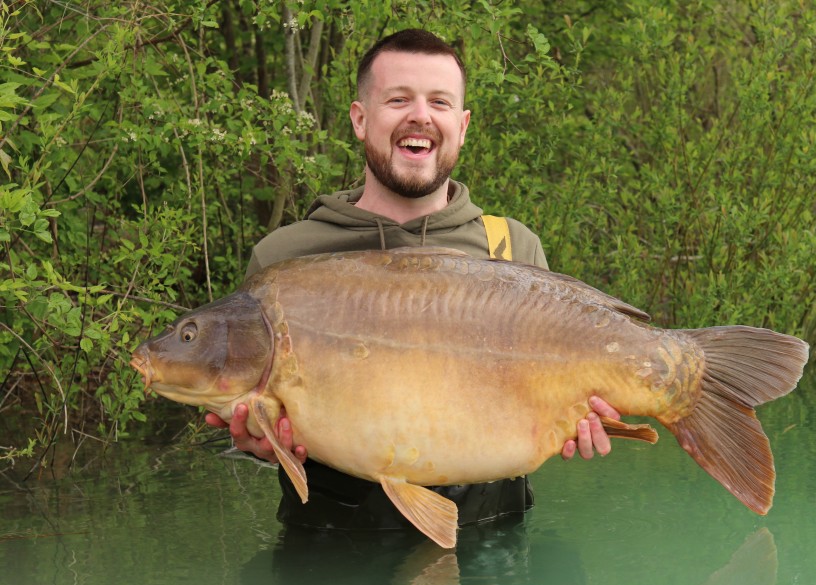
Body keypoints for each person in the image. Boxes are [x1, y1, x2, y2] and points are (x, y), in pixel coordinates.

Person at [206, 29, 621, 530]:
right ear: (361, 119)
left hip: (494, 548)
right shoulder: (285, 259)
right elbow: (254, 415)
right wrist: (253, 444)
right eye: (398, 99)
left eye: (439, 102)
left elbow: (551, 404)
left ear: (462, 126)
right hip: (330, 551)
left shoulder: (511, 249)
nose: (420, 116)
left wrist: (584, 420)